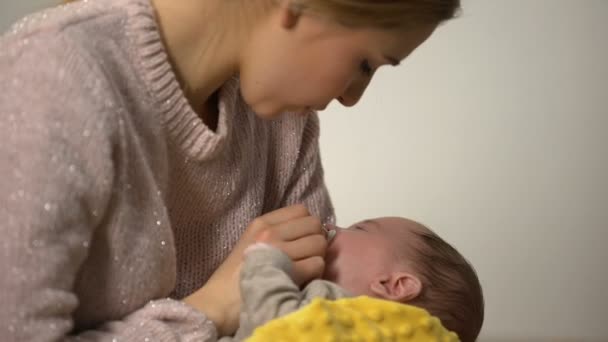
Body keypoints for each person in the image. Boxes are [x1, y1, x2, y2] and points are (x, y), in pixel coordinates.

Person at [0, 0, 461, 340]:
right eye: (365, 63)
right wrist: (210, 309)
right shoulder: (55, 81)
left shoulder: (284, 126)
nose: (351, 97)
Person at [227, 217, 484, 342]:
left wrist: (265, 259)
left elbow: (273, 323)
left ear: (394, 285)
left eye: (359, 228)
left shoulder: (336, 316)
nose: (333, 226)